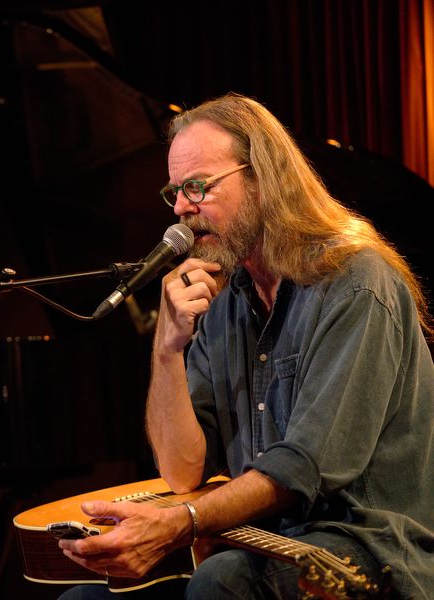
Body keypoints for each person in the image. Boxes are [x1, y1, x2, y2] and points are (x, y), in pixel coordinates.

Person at [57, 94, 434, 599]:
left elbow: (306, 466)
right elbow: (183, 470)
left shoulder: (356, 283)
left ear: (262, 179)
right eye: (174, 192)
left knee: (222, 580)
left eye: (198, 186)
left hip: (366, 548)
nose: (182, 208)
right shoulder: (226, 301)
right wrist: (167, 349)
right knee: (83, 597)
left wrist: (183, 522)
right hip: (265, 542)